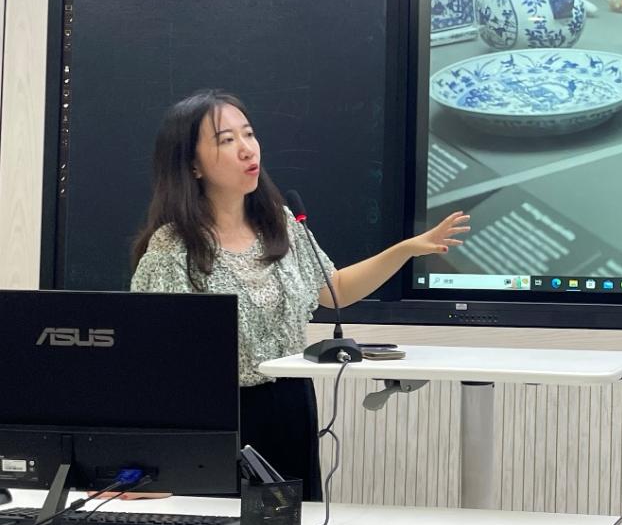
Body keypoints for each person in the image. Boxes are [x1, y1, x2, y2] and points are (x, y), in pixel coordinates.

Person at [129, 89, 469, 501]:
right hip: (215, 418)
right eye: (226, 140)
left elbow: (334, 288)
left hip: (291, 403)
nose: (247, 148)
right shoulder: (172, 247)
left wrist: (405, 250)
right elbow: (150, 362)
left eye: (248, 133)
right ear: (192, 165)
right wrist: (153, 461)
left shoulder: (280, 222)